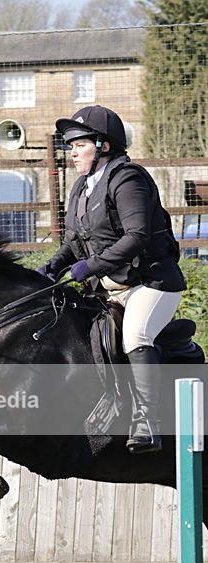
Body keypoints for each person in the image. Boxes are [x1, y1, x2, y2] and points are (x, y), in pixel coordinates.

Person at [39, 105, 186, 454]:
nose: (71, 152)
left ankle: (147, 421)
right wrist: (52, 267)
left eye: (79, 144)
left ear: (103, 145)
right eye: (69, 146)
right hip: (111, 287)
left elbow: (137, 237)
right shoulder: (81, 188)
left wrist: (90, 267)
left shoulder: (128, 178)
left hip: (151, 283)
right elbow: (74, 241)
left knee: (136, 333)